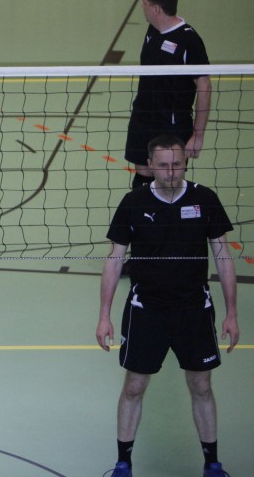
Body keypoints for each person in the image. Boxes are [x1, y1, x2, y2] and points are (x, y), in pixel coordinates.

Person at [96, 134, 239, 477]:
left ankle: (212, 464)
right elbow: (114, 260)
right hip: (147, 310)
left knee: (201, 386)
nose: (171, 171)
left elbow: (223, 257)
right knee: (134, 387)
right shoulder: (133, 202)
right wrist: (104, 316)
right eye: (163, 165)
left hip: (194, 309)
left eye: (177, 164)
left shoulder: (205, 199)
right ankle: (123, 464)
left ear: (185, 163)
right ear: (149, 166)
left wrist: (232, 313)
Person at [124, 0, 211, 189]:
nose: (142, 7)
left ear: (156, 9)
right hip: (143, 118)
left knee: (168, 182)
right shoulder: (153, 29)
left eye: (144, 3)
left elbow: (205, 86)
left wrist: (198, 135)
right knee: (143, 180)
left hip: (171, 125)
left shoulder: (189, 40)